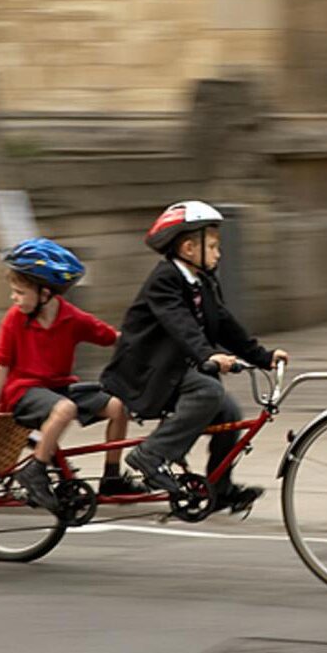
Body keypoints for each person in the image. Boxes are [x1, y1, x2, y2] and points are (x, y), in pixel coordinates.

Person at [100, 201, 289, 515]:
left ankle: (220, 487)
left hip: (177, 368)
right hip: (148, 372)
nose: (219, 253)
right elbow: (179, 324)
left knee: (229, 411)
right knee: (209, 391)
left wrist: (262, 356)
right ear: (188, 248)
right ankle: (150, 455)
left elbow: (225, 324)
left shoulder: (202, 280)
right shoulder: (165, 280)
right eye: (212, 246)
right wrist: (209, 355)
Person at [0, 237, 145, 512]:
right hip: (23, 392)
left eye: (20, 292)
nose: (13, 297)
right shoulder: (14, 319)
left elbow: (111, 337)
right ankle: (35, 469)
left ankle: (112, 477)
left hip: (58, 389)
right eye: (14, 291)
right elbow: (0, 363)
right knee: (65, 409)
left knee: (117, 407)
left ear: (45, 294)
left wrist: (148, 344)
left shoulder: (72, 318)